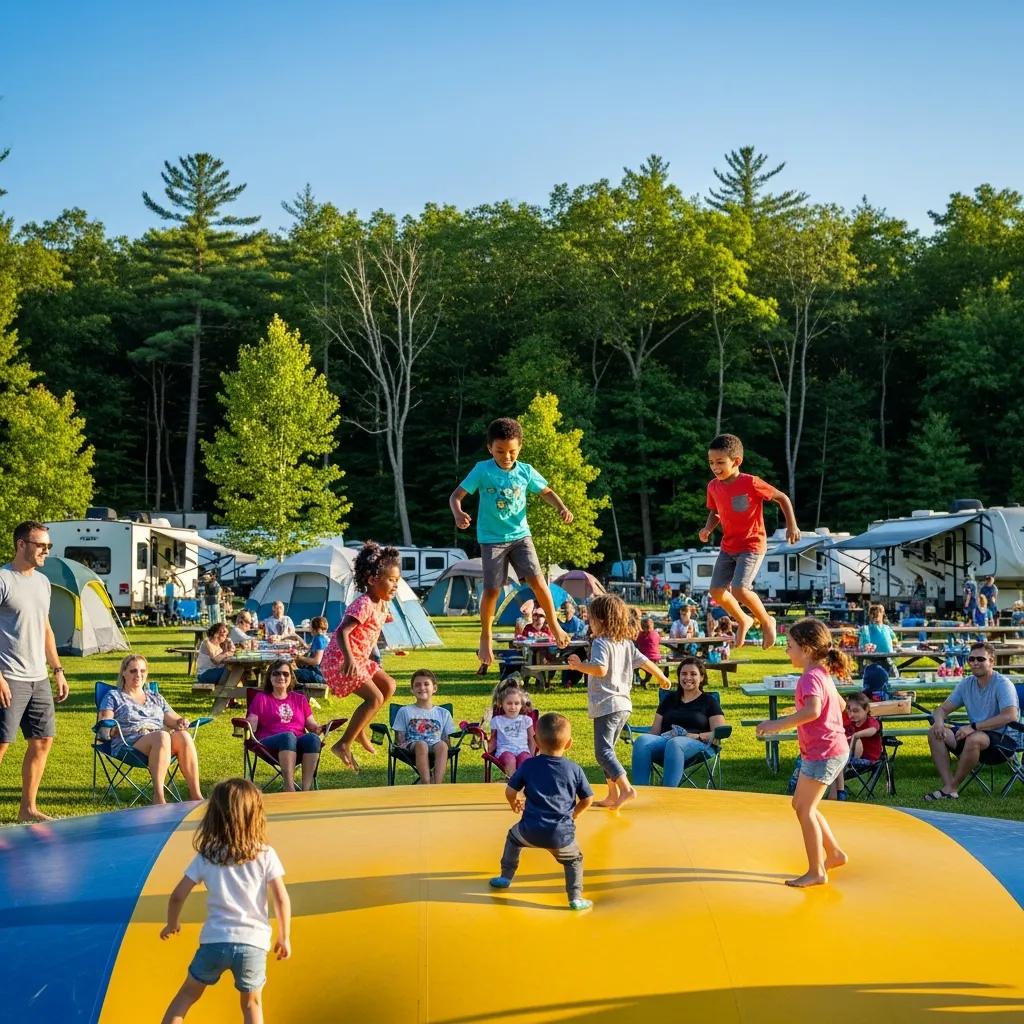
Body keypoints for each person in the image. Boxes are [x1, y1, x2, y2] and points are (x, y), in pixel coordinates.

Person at [159, 778, 290, 1024]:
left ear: (214, 817)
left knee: (187, 994)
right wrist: (285, 936)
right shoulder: (264, 854)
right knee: (252, 1004)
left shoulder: (207, 856)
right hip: (253, 943)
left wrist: (171, 923)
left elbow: (178, 895)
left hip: (215, 942)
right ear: (255, 815)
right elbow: (281, 898)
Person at [449, 416, 574, 670]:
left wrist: (561, 507)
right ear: (490, 449)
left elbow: (546, 492)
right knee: (493, 589)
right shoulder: (482, 470)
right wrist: (458, 513)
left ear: (520, 448)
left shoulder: (525, 471)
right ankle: (485, 635)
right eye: (500, 451)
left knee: (539, 582)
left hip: (520, 536)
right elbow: (456, 496)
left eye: (512, 451)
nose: (507, 457)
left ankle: (554, 623)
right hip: (491, 540)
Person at [755, 618, 851, 887]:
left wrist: (776, 725)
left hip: (825, 752)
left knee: (805, 809)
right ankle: (834, 853)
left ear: (807, 648)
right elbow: (840, 705)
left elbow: (813, 711)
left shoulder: (811, 677)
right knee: (800, 804)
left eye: (791, 646)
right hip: (822, 750)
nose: (788, 651)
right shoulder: (821, 673)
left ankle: (817, 871)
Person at [567, 594, 669, 810]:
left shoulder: (600, 643)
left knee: (602, 752)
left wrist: (579, 666)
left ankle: (626, 789)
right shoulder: (625, 644)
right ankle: (612, 794)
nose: (589, 624)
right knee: (609, 750)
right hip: (623, 704)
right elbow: (645, 662)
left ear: (602, 620)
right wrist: (661, 676)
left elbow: (600, 669)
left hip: (608, 703)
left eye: (591, 620)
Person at [699, 433, 800, 649]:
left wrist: (792, 525)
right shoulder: (713, 487)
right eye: (711, 463)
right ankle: (743, 619)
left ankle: (766, 620)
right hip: (729, 546)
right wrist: (708, 528)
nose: (715, 467)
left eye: (720, 462)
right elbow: (715, 511)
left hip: (752, 545)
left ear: (736, 461)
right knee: (716, 591)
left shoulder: (751, 483)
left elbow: (782, 498)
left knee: (739, 589)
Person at [488, 711, 594, 911]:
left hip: (529, 830)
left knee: (513, 838)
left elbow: (510, 790)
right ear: (569, 743)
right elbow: (588, 799)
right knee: (574, 860)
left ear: (535, 740)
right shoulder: (574, 769)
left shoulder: (529, 765)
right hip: (561, 835)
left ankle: (505, 877)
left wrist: (514, 803)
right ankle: (575, 897)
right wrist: (574, 815)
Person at [0, 521, 68, 821]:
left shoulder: (43, 583)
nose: (46, 551)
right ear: (21, 544)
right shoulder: (3, 579)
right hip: (8, 675)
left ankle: (28, 809)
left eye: (48, 546)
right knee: (1, 745)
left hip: (38, 676)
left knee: (42, 741)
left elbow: (45, 628)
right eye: (41, 545)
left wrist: (57, 669)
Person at [321, 541, 399, 770]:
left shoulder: (382, 604)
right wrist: (350, 660)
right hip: (341, 659)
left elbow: (372, 632)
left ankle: (361, 729)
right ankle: (343, 744)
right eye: (391, 580)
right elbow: (342, 632)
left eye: (397, 580)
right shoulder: (363, 603)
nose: (396, 585)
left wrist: (372, 658)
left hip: (360, 658)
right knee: (374, 698)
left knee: (389, 686)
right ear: (373, 580)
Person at [924, 641, 1020, 801]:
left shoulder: (1003, 684)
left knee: (974, 738)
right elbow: (941, 710)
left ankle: (951, 787)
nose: (975, 663)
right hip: (973, 735)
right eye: (971, 659)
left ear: (991, 661)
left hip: (1003, 740)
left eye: (980, 659)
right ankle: (949, 787)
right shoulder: (966, 684)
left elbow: (1010, 716)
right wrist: (939, 722)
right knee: (934, 733)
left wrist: (973, 727)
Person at [100, 654, 203, 803]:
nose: (138, 675)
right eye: (133, 671)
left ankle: (195, 795)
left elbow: (172, 719)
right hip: (129, 743)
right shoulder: (114, 696)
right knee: (162, 736)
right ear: (123, 672)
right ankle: (158, 797)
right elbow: (105, 722)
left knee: (184, 736)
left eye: (142, 671)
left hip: (160, 741)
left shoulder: (155, 696)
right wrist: (109, 728)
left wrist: (180, 721)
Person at [631, 657, 727, 787]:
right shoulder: (669, 699)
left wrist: (697, 736)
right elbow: (655, 731)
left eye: (693, 674)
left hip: (698, 744)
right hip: (665, 741)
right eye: (684, 674)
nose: (688, 678)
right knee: (642, 741)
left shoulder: (709, 701)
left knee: (675, 743)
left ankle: (668, 794)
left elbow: (721, 731)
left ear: (702, 677)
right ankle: (641, 792)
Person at [246, 660, 324, 792]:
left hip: (298, 740)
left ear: (291, 677)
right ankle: (289, 787)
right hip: (268, 742)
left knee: (313, 739)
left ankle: (306, 789)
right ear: (270, 677)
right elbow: (251, 724)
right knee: (288, 737)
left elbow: (311, 724)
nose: (281, 677)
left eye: (285, 674)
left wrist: (318, 728)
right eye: (276, 674)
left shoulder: (299, 699)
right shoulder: (261, 698)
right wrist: (246, 725)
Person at [393, 668, 457, 784]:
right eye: (417, 685)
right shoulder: (405, 711)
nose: (422, 688)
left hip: (435, 744)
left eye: (426, 684)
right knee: (421, 745)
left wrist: (448, 747)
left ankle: (437, 784)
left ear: (435, 688)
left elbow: (446, 740)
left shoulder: (443, 713)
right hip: (412, 746)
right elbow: (399, 739)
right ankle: (426, 783)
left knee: (442, 746)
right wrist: (400, 746)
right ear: (412, 690)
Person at [831, 691, 882, 801]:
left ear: (866, 710)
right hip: (851, 755)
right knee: (836, 757)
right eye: (849, 710)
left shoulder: (871, 721)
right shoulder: (851, 723)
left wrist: (857, 735)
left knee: (840, 761)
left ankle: (837, 794)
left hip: (868, 759)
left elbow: (873, 730)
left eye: (856, 711)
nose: (851, 714)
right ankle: (837, 794)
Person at [488, 684, 535, 776]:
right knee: (510, 760)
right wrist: (488, 751)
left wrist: (532, 754)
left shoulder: (526, 720)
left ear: (521, 704)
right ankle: (512, 783)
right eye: (509, 703)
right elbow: (493, 738)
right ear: (501, 704)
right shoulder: (497, 720)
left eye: (516, 703)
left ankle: (523, 785)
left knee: (525, 760)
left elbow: (532, 739)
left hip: (523, 750)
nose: (513, 707)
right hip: (505, 750)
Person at [294, 615, 329, 688]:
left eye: (310, 626)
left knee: (292, 673)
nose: (309, 628)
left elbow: (316, 661)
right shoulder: (319, 638)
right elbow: (309, 648)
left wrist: (300, 658)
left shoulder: (319, 639)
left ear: (314, 628)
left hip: (319, 675)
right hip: (318, 672)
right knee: (294, 668)